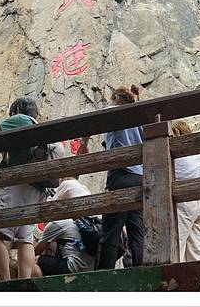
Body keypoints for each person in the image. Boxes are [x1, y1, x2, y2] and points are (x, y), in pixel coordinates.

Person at [0, 97, 57, 281]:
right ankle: (23, 281)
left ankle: (4, 282)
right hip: (38, 189)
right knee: (25, 237)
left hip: (18, 184)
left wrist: (2, 123)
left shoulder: (21, 119)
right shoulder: (38, 128)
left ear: (17, 110)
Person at [78, 84, 145, 270]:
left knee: (111, 230)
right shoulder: (140, 119)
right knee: (136, 231)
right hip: (140, 178)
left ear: (117, 98)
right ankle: (142, 270)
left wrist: (84, 141)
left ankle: (102, 274)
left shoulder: (115, 111)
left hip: (121, 176)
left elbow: (92, 120)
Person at [171, 120, 200, 262]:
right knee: (198, 251)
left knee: (177, 247)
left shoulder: (177, 154)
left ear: (177, 133)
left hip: (184, 202)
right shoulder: (198, 154)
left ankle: (173, 280)